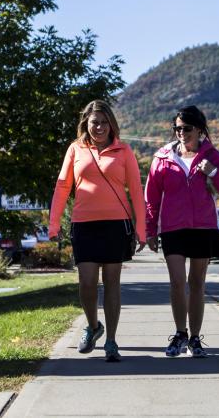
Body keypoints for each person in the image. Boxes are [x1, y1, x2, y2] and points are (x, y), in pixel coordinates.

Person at [49, 99, 146, 362]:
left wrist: (141, 228)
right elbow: (61, 187)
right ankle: (93, 326)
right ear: (86, 124)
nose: (99, 127)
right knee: (87, 283)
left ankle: (112, 341)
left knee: (112, 282)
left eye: (104, 122)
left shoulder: (123, 151)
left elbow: (136, 190)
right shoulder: (75, 149)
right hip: (84, 224)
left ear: (111, 124)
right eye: (95, 122)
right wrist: (54, 223)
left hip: (116, 224)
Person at [145, 105, 219, 358]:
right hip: (173, 228)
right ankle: (180, 334)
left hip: (203, 226)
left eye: (186, 129)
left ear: (199, 129)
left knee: (196, 283)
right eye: (177, 129)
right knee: (177, 283)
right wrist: (150, 230)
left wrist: (214, 173)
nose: (181, 133)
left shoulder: (213, 156)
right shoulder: (162, 158)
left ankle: (195, 338)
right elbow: (151, 197)